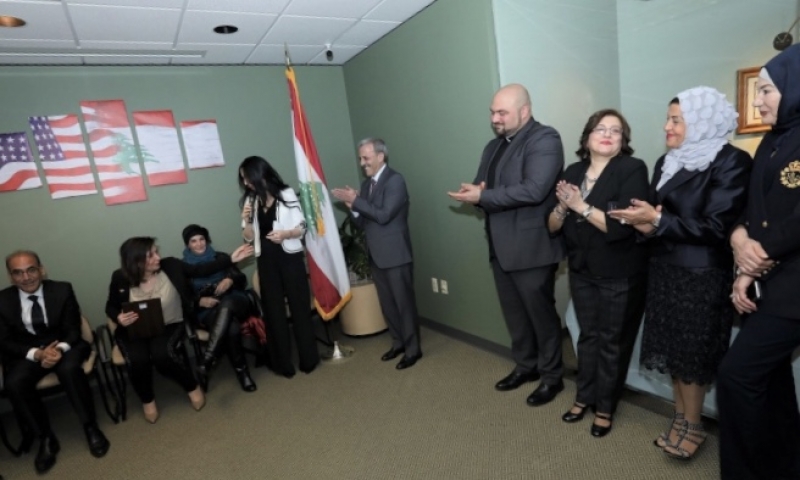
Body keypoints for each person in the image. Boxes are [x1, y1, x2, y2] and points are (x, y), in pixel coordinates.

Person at [610, 86, 751, 459]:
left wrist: (657, 220)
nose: (666, 126)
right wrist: (643, 224)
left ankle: (694, 425)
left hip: (701, 276)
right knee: (674, 354)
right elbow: (659, 216)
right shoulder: (667, 161)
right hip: (664, 270)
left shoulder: (731, 161)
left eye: (676, 120)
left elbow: (717, 227)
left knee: (693, 357)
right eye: (668, 119)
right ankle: (679, 418)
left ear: (701, 121)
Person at [448, 84, 566, 406]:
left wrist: (484, 196)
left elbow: (534, 190)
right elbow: (485, 187)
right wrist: (475, 195)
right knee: (515, 315)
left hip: (532, 248)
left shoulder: (544, 139)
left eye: (502, 112)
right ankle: (526, 366)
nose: (495, 118)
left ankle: (552, 377)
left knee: (541, 316)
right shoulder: (493, 146)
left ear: (524, 111)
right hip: (500, 247)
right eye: (492, 112)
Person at [717, 44, 800, 480]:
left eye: (766, 91)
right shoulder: (771, 139)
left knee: (736, 376)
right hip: (765, 284)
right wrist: (738, 240)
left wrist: (757, 258)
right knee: (773, 382)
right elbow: (750, 208)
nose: (758, 101)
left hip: (793, 287)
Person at [548, 109, 649, 437]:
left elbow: (620, 227)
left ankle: (605, 406)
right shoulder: (573, 171)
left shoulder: (631, 169)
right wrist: (562, 206)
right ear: (587, 137)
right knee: (587, 336)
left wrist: (579, 206)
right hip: (581, 270)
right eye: (600, 128)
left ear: (623, 140)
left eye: (615, 130)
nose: (607, 134)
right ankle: (584, 395)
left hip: (620, 271)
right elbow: (552, 226)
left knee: (612, 342)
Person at [105, 237, 253, 423]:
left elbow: (201, 270)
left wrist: (230, 259)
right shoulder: (120, 278)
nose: (158, 257)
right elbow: (110, 307)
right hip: (134, 329)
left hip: (169, 324)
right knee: (137, 360)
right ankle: (147, 400)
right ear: (136, 261)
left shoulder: (171, 266)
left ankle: (191, 386)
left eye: (156, 251)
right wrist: (118, 317)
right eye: (151, 255)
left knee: (163, 356)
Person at [0, 250, 110, 473]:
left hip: (64, 345)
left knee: (69, 369)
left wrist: (58, 350)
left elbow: (73, 329)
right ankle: (45, 438)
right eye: (18, 273)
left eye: (31, 270)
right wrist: (37, 354)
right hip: (28, 353)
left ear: (42, 270)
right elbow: (4, 341)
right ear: (11, 277)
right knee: (14, 383)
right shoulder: (2, 300)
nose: (26, 277)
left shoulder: (62, 289)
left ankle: (90, 427)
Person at [332, 138, 422, 369]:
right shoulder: (366, 185)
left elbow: (383, 215)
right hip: (376, 255)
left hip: (396, 254)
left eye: (366, 158)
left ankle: (413, 350)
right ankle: (398, 343)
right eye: (360, 158)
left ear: (381, 157)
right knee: (388, 304)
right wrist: (353, 208)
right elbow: (363, 223)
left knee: (403, 304)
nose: (362, 163)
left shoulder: (395, 181)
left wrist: (357, 201)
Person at [239, 156, 320, 377]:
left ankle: (309, 359)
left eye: (247, 178)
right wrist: (247, 221)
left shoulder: (286, 194)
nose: (245, 183)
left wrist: (286, 234)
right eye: (243, 179)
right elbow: (248, 237)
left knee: (299, 307)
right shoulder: (251, 200)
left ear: (259, 174)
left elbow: (301, 227)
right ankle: (282, 363)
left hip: (289, 257)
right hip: (266, 260)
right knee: (273, 311)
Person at [181, 224, 256, 392]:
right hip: (208, 310)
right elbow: (183, 296)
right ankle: (243, 373)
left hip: (235, 300)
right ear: (188, 245)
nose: (199, 244)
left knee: (227, 303)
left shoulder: (221, 257)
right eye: (194, 241)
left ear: (207, 240)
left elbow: (242, 280)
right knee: (232, 328)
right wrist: (199, 301)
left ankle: (207, 359)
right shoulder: (184, 267)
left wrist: (230, 279)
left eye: (202, 239)